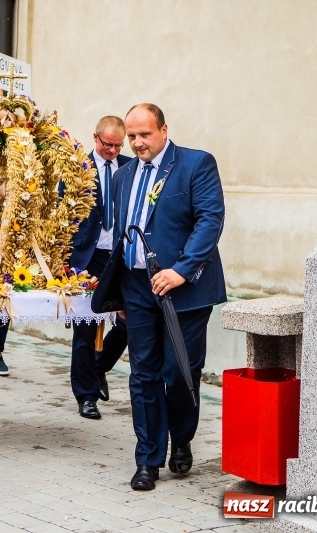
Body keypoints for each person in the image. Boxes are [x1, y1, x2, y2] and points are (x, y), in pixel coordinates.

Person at [111, 103, 226, 491]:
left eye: (144, 134)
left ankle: (182, 438)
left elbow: (210, 220)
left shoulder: (195, 164)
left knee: (179, 372)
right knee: (142, 374)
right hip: (136, 287)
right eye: (132, 136)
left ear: (164, 130)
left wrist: (181, 270)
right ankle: (148, 459)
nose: (137, 142)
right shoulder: (124, 174)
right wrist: (118, 292)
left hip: (185, 289)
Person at [67, 116, 131, 420]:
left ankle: (99, 365)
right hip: (88, 257)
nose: (113, 151)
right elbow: (63, 213)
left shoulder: (131, 166)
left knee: (130, 320)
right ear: (95, 138)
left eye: (118, 146)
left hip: (121, 256)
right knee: (86, 327)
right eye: (108, 145)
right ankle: (86, 396)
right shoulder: (78, 167)